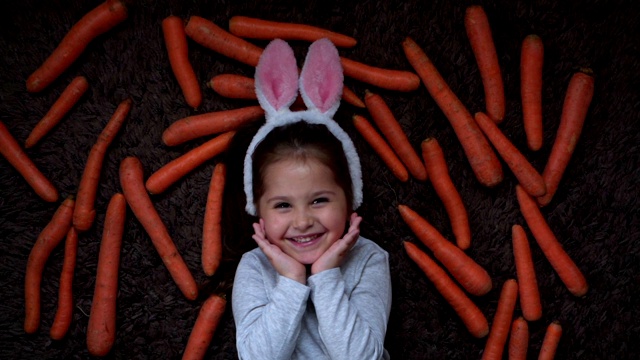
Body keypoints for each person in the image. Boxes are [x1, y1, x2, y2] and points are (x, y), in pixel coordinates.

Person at [228, 38, 392, 359]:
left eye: (319, 200)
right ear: (257, 211)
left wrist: (326, 276)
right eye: (283, 205)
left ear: (350, 198)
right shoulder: (255, 267)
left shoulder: (368, 259)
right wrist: (292, 280)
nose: (303, 221)